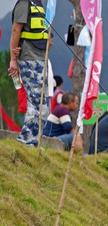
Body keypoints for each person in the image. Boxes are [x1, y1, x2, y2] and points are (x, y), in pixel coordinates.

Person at [8, 0, 52, 146]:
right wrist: (13, 59)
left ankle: (33, 141)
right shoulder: (24, 3)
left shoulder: (38, 4)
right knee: (36, 103)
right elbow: (15, 30)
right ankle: (25, 141)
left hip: (41, 59)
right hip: (29, 59)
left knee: (44, 105)